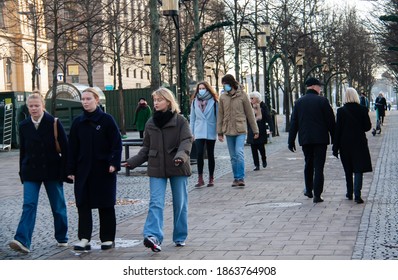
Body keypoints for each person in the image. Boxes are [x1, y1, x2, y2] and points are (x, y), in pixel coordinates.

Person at [123, 87, 193, 252]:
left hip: (178, 165)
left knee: (180, 203)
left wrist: (181, 156)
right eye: (154, 100)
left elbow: (186, 141)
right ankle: (153, 236)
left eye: (159, 100)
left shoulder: (181, 121)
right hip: (156, 167)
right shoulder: (150, 122)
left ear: (168, 101)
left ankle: (180, 236)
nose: (156, 103)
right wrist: (132, 162)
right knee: (155, 202)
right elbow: (146, 148)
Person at [9, 93, 69, 253]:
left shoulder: (54, 123)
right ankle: (22, 240)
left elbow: (66, 149)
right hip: (31, 172)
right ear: (27, 107)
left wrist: (67, 171)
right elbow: (23, 151)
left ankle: (62, 237)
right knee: (28, 205)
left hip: (52, 171)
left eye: (37, 105)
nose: (34, 109)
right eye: (31, 106)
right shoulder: (23, 125)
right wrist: (22, 172)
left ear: (43, 106)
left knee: (58, 206)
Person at [67, 87, 122, 251]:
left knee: (105, 204)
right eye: (83, 99)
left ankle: (107, 238)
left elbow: (116, 143)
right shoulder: (78, 122)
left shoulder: (107, 120)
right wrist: (70, 169)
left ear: (96, 100)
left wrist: (113, 162)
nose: (85, 102)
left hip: (104, 169)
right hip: (83, 170)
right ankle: (84, 238)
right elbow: (72, 148)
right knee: (83, 204)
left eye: (88, 99)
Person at [288, 77, 335, 203]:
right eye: (319, 86)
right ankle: (317, 195)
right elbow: (331, 122)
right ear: (314, 86)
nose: (320, 89)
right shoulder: (323, 101)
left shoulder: (298, 102)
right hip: (320, 139)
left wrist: (291, 140)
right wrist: (335, 139)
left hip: (306, 138)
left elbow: (294, 123)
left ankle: (309, 190)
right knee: (319, 167)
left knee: (308, 164)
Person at [217, 74, 259, 187]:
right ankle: (236, 178)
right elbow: (220, 115)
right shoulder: (222, 97)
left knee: (239, 153)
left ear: (231, 84)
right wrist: (219, 132)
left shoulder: (242, 95)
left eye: (225, 84)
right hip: (228, 130)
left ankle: (241, 177)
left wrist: (255, 130)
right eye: (223, 85)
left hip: (240, 129)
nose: (224, 86)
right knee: (233, 156)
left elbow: (250, 114)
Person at [332, 87, 372, 204]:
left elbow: (337, 130)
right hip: (359, 143)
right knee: (358, 169)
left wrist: (335, 147)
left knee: (348, 169)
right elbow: (367, 127)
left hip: (345, 144)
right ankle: (357, 194)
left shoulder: (341, 111)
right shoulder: (363, 109)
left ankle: (349, 192)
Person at [190, 81, 218, 187]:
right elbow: (192, 118)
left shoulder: (214, 101)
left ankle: (211, 178)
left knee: (210, 154)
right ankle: (200, 178)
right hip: (199, 130)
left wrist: (219, 132)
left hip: (210, 129)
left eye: (203, 88)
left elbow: (218, 117)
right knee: (199, 154)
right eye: (200, 88)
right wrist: (191, 133)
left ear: (207, 89)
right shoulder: (194, 102)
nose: (201, 90)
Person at [247, 91, 274, 171]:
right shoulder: (249, 107)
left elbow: (268, 117)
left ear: (257, 98)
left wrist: (271, 128)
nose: (251, 100)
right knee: (253, 148)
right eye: (250, 98)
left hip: (261, 129)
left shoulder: (263, 106)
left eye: (252, 98)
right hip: (252, 129)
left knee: (261, 147)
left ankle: (264, 159)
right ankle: (256, 165)